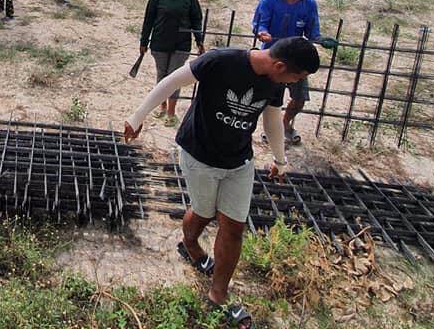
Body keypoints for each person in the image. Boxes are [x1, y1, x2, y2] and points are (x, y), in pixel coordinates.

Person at [123, 37, 320, 326]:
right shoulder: (221, 60)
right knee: (203, 212)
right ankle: (190, 244)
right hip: (199, 154)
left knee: (233, 227)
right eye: (295, 77)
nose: (292, 84)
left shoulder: (275, 83)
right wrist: (137, 116)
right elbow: (172, 81)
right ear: (279, 65)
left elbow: (272, 120)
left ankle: (218, 293)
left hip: (239, 161)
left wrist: (280, 160)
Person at [251, 0, 322, 146]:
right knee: (271, 99)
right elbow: (259, 23)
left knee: (299, 99)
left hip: (296, 57)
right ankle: (270, 130)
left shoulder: (309, 4)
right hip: (273, 56)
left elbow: (312, 32)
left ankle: (285, 123)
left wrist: (321, 39)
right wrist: (262, 32)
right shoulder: (269, 1)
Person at [140, 0, 206, 119]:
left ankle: (171, 111)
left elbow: (196, 18)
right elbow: (148, 19)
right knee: (162, 75)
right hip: (160, 41)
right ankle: (161, 106)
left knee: (174, 77)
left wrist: (199, 40)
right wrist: (143, 41)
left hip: (181, 43)